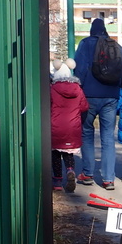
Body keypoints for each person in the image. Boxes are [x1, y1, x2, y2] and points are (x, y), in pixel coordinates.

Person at [74, 18, 122, 190]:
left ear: (91, 30)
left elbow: (79, 69)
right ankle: (108, 179)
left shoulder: (85, 44)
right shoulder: (116, 47)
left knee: (87, 133)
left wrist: (80, 87)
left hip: (89, 95)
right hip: (111, 97)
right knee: (107, 138)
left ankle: (88, 173)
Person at [49, 58, 87, 192]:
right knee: (68, 153)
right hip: (72, 127)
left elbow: (48, 105)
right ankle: (70, 170)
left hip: (56, 126)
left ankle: (57, 181)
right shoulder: (77, 89)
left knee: (55, 154)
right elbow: (84, 106)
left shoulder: (52, 89)